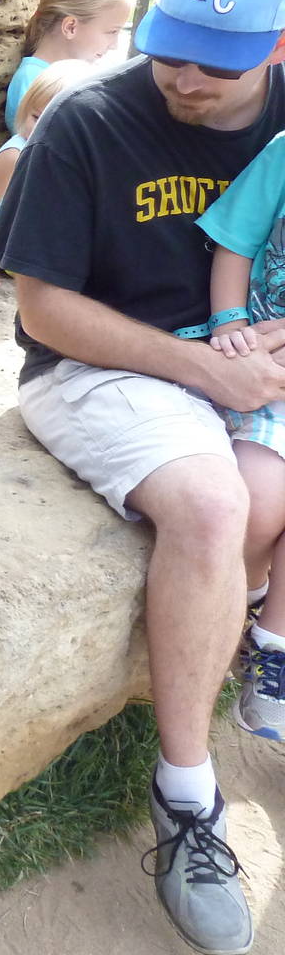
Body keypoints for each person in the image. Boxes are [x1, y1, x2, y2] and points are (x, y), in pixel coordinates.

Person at [0, 0, 285, 955]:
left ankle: (260, 649)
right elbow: (41, 309)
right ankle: (187, 798)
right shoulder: (88, 118)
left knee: (257, 497)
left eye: (217, 64)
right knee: (212, 505)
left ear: (276, 47)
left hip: (249, 351)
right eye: (169, 49)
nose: (185, 79)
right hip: (100, 363)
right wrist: (207, 370)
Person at [196, 128, 285, 739]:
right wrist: (229, 324)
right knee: (259, 499)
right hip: (263, 366)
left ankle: (272, 644)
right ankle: (249, 591)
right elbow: (236, 240)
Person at [0, 59, 94, 289]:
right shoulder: (14, 156)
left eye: (55, 122)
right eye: (36, 117)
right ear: (25, 109)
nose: (41, 128)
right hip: (16, 250)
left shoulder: (61, 153)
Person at [5, 0, 131, 132]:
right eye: (112, 32)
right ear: (71, 27)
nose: (115, 45)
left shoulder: (89, 72)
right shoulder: (32, 81)